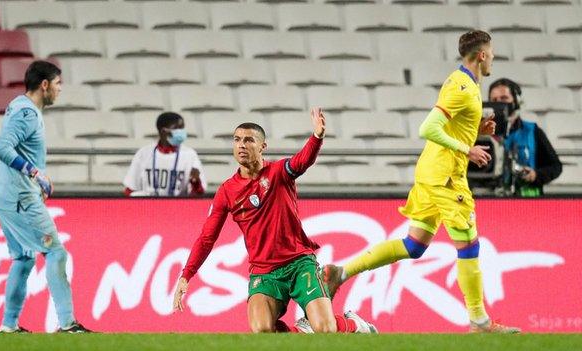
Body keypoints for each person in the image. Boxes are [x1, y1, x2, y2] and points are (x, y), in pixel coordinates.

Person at [323, 31, 520, 333]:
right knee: (468, 244)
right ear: (481, 55)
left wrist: (478, 128)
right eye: (491, 52)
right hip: (446, 177)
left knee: (414, 245)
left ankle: (341, 272)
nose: (493, 57)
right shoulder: (463, 87)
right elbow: (427, 128)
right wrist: (467, 148)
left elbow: (452, 125)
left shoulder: (462, 81)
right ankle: (479, 321)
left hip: (432, 172)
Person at [172, 109, 375, 334]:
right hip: (264, 272)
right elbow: (207, 238)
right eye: (237, 140)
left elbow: (302, 162)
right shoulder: (227, 191)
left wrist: (316, 137)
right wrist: (186, 275)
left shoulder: (279, 172)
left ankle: (356, 324)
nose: (241, 145)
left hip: (299, 264)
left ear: (262, 147)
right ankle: (302, 331)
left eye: (249, 140)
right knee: (262, 331)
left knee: (326, 330)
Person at [0, 61, 91, 333]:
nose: (60, 90)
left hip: (7, 195)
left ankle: (9, 326)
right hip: (20, 198)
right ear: (44, 84)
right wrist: (35, 173)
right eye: (58, 84)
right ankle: (68, 323)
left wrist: (36, 181)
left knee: (23, 258)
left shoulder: (18, 105)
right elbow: (0, 147)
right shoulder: (28, 114)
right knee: (55, 251)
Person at [488, 78, 562, 197]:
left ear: (517, 101)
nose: (499, 104)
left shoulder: (533, 131)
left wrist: (535, 175)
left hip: (529, 202)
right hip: (489, 201)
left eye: (504, 98)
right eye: (494, 100)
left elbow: (555, 166)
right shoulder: (480, 135)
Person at [123, 112, 206, 197]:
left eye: (182, 128)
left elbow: (199, 194)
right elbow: (130, 189)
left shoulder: (189, 154)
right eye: (177, 128)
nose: (182, 132)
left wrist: (195, 181)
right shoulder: (144, 153)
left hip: (177, 206)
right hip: (148, 206)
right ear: (163, 131)